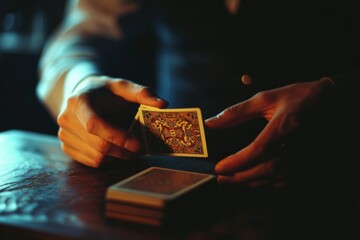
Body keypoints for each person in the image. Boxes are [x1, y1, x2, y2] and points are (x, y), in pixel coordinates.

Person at [37, 0, 360, 190]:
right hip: (174, 184)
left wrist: (341, 95)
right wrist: (78, 85)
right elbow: (79, 34)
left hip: (337, 184)